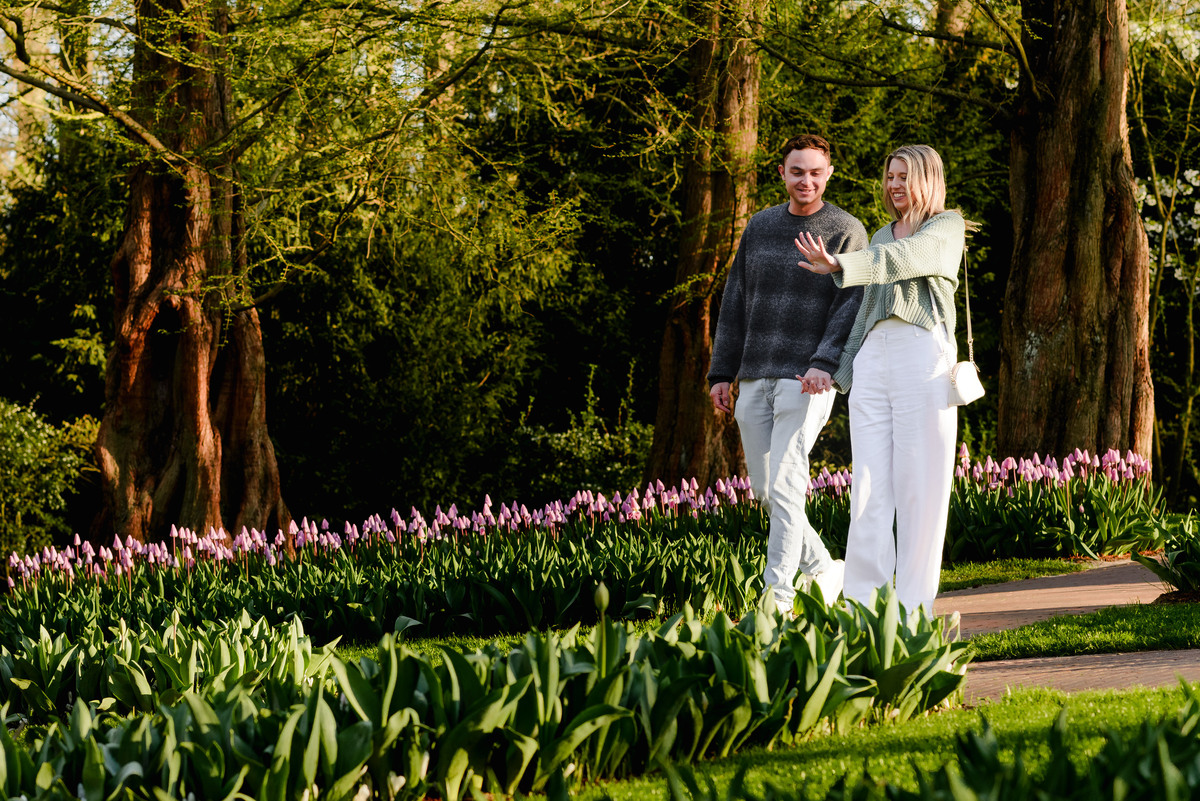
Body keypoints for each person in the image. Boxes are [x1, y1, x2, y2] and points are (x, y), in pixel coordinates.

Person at [793, 144, 968, 616]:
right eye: (889, 176)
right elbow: (866, 311)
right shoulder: (878, 233)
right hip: (874, 362)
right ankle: (863, 609)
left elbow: (907, 259)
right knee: (867, 489)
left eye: (903, 176)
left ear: (927, 179)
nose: (893, 185)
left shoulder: (945, 227)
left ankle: (912, 612)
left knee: (921, 490)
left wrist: (842, 265)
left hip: (922, 359)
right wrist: (839, 370)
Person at [708, 134, 867, 612]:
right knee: (763, 489)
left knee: (786, 483)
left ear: (828, 174)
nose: (806, 180)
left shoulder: (845, 230)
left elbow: (852, 305)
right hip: (755, 372)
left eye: (815, 172)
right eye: (798, 171)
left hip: (807, 378)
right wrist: (722, 370)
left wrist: (824, 363)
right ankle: (821, 566)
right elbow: (735, 297)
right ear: (782, 173)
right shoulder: (760, 226)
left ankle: (777, 595)